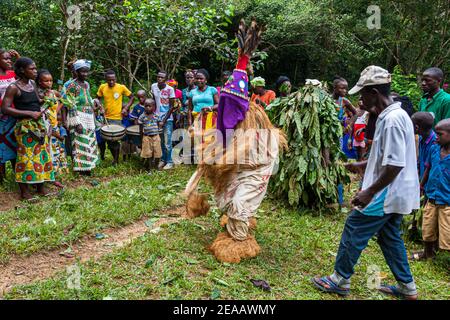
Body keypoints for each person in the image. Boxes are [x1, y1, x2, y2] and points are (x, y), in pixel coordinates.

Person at [312, 66, 420, 300]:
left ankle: (339, 279)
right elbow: (387, 156)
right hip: (397, 190)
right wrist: (361, 166)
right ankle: (407, 287)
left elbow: (395, 164)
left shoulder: (391, 120)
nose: (359, 98)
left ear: (374, 92)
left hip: (386, 191)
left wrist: (369, 192)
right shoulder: (394, 115)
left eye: (363, 93)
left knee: (355, 225)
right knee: (389, 236)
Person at [1, 57, 55, 199]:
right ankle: (25, 193)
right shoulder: (13, 87)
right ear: (21, 71)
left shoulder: (32, 84)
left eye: (35, 68)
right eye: (32, 69)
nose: (35, 71)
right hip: (24, 127)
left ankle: (40, 189)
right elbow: (5, 108)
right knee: (26, 158)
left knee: (41, 155)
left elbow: (36, 101)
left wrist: (47, 100)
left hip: (39, 125)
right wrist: (30, 113)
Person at [414, 119, 450, 260]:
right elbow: (428, 168)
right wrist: (421, 186)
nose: (436, 137)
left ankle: (445, 260)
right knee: (427, 228)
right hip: (431, 197)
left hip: (447, 201)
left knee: (447, 232)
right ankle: (427, 253)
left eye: (440, 134)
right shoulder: (434, 149)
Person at [61, 59, 99, 175]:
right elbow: (69, 104)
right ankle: (82, 170)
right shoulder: (71, 85)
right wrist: (77, 123)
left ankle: (89, 167)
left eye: (87, 72)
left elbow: (87, 100)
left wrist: (95, 108)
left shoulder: (87, 84)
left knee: (89, 142)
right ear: (76, 72)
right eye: (82, 72)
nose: (85, 74)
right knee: (80, 143)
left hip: (88, 117)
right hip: (78, 117)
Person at [96, 70, 134, 165]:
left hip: (117, 118)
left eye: (113, 80)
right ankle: (115, 159)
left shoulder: (121, 87)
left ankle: (116, 161)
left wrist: (125, 108)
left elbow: (132, 97)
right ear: (106, 80)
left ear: (115, 79)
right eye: (109, 80)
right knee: (108, 140)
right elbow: (97, 99)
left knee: (114, 139)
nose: (111, 82)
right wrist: (100, 107)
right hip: (105, 118)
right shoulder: (102, 87)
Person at [37, 69, 67, 188]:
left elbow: (63, 100)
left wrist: (56, 110)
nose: (49, 83)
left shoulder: (54, 93)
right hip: (43, 126)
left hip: (54, 125)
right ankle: (42, 178)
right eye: (46, 81)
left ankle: (52, 177)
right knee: (45, 152)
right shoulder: (39, 95)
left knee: (54, 152)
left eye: (51, 80)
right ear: (39, 82)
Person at [0, 49, 20, 183]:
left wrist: (18, 57)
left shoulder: (13, 74)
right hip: (1, 118)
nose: (9, 61)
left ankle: (17, 175)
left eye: (9, 58)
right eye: (5, 59)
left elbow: (26, 73)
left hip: (14, 116)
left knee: (15, 144)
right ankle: (2, 179)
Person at [188, 69, 219, 146]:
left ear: (206, 80)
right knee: (198, 141)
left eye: (201, 78)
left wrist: (210, 108)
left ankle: (210, 157)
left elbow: (218, 104)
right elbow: (189, 109)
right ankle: (199, 157)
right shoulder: (192, 92)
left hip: (210, 118)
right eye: (197, 78)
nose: (199, 80)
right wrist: (190, 124)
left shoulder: (212, 90)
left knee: (210, 140)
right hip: (196, 119)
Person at [151, 71, 175, 170]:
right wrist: (154, 116)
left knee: (167, 141)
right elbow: (153, 102)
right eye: (158, 77)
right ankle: (163, 159)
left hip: (167, 119)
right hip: (157, 117)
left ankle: (169, 161)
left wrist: (164, 120)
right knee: (160, 140)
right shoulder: (153, 86)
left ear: (166, 79)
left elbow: (172, 107)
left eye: (162, 77)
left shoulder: (170, 89)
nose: (159, 79)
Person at [138, 98, 162, 172]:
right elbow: (141, 129)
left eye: (150, 106)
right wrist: (141, 139)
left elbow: (158, 126)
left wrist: (158, 136)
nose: (147, 108)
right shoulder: (142, 117)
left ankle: (156, 166)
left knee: (157, 153)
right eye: (146, 106)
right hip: (146, 137)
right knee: (148, 154)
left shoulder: (156, 116)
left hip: (156, 136)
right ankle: (150, 169)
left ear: (154, 107)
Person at [411, 112, 436, 182]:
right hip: (422, 181)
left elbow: (430, 168)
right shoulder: (421, 138)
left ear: (416, 128)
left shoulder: (435, 144)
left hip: (429, 185)